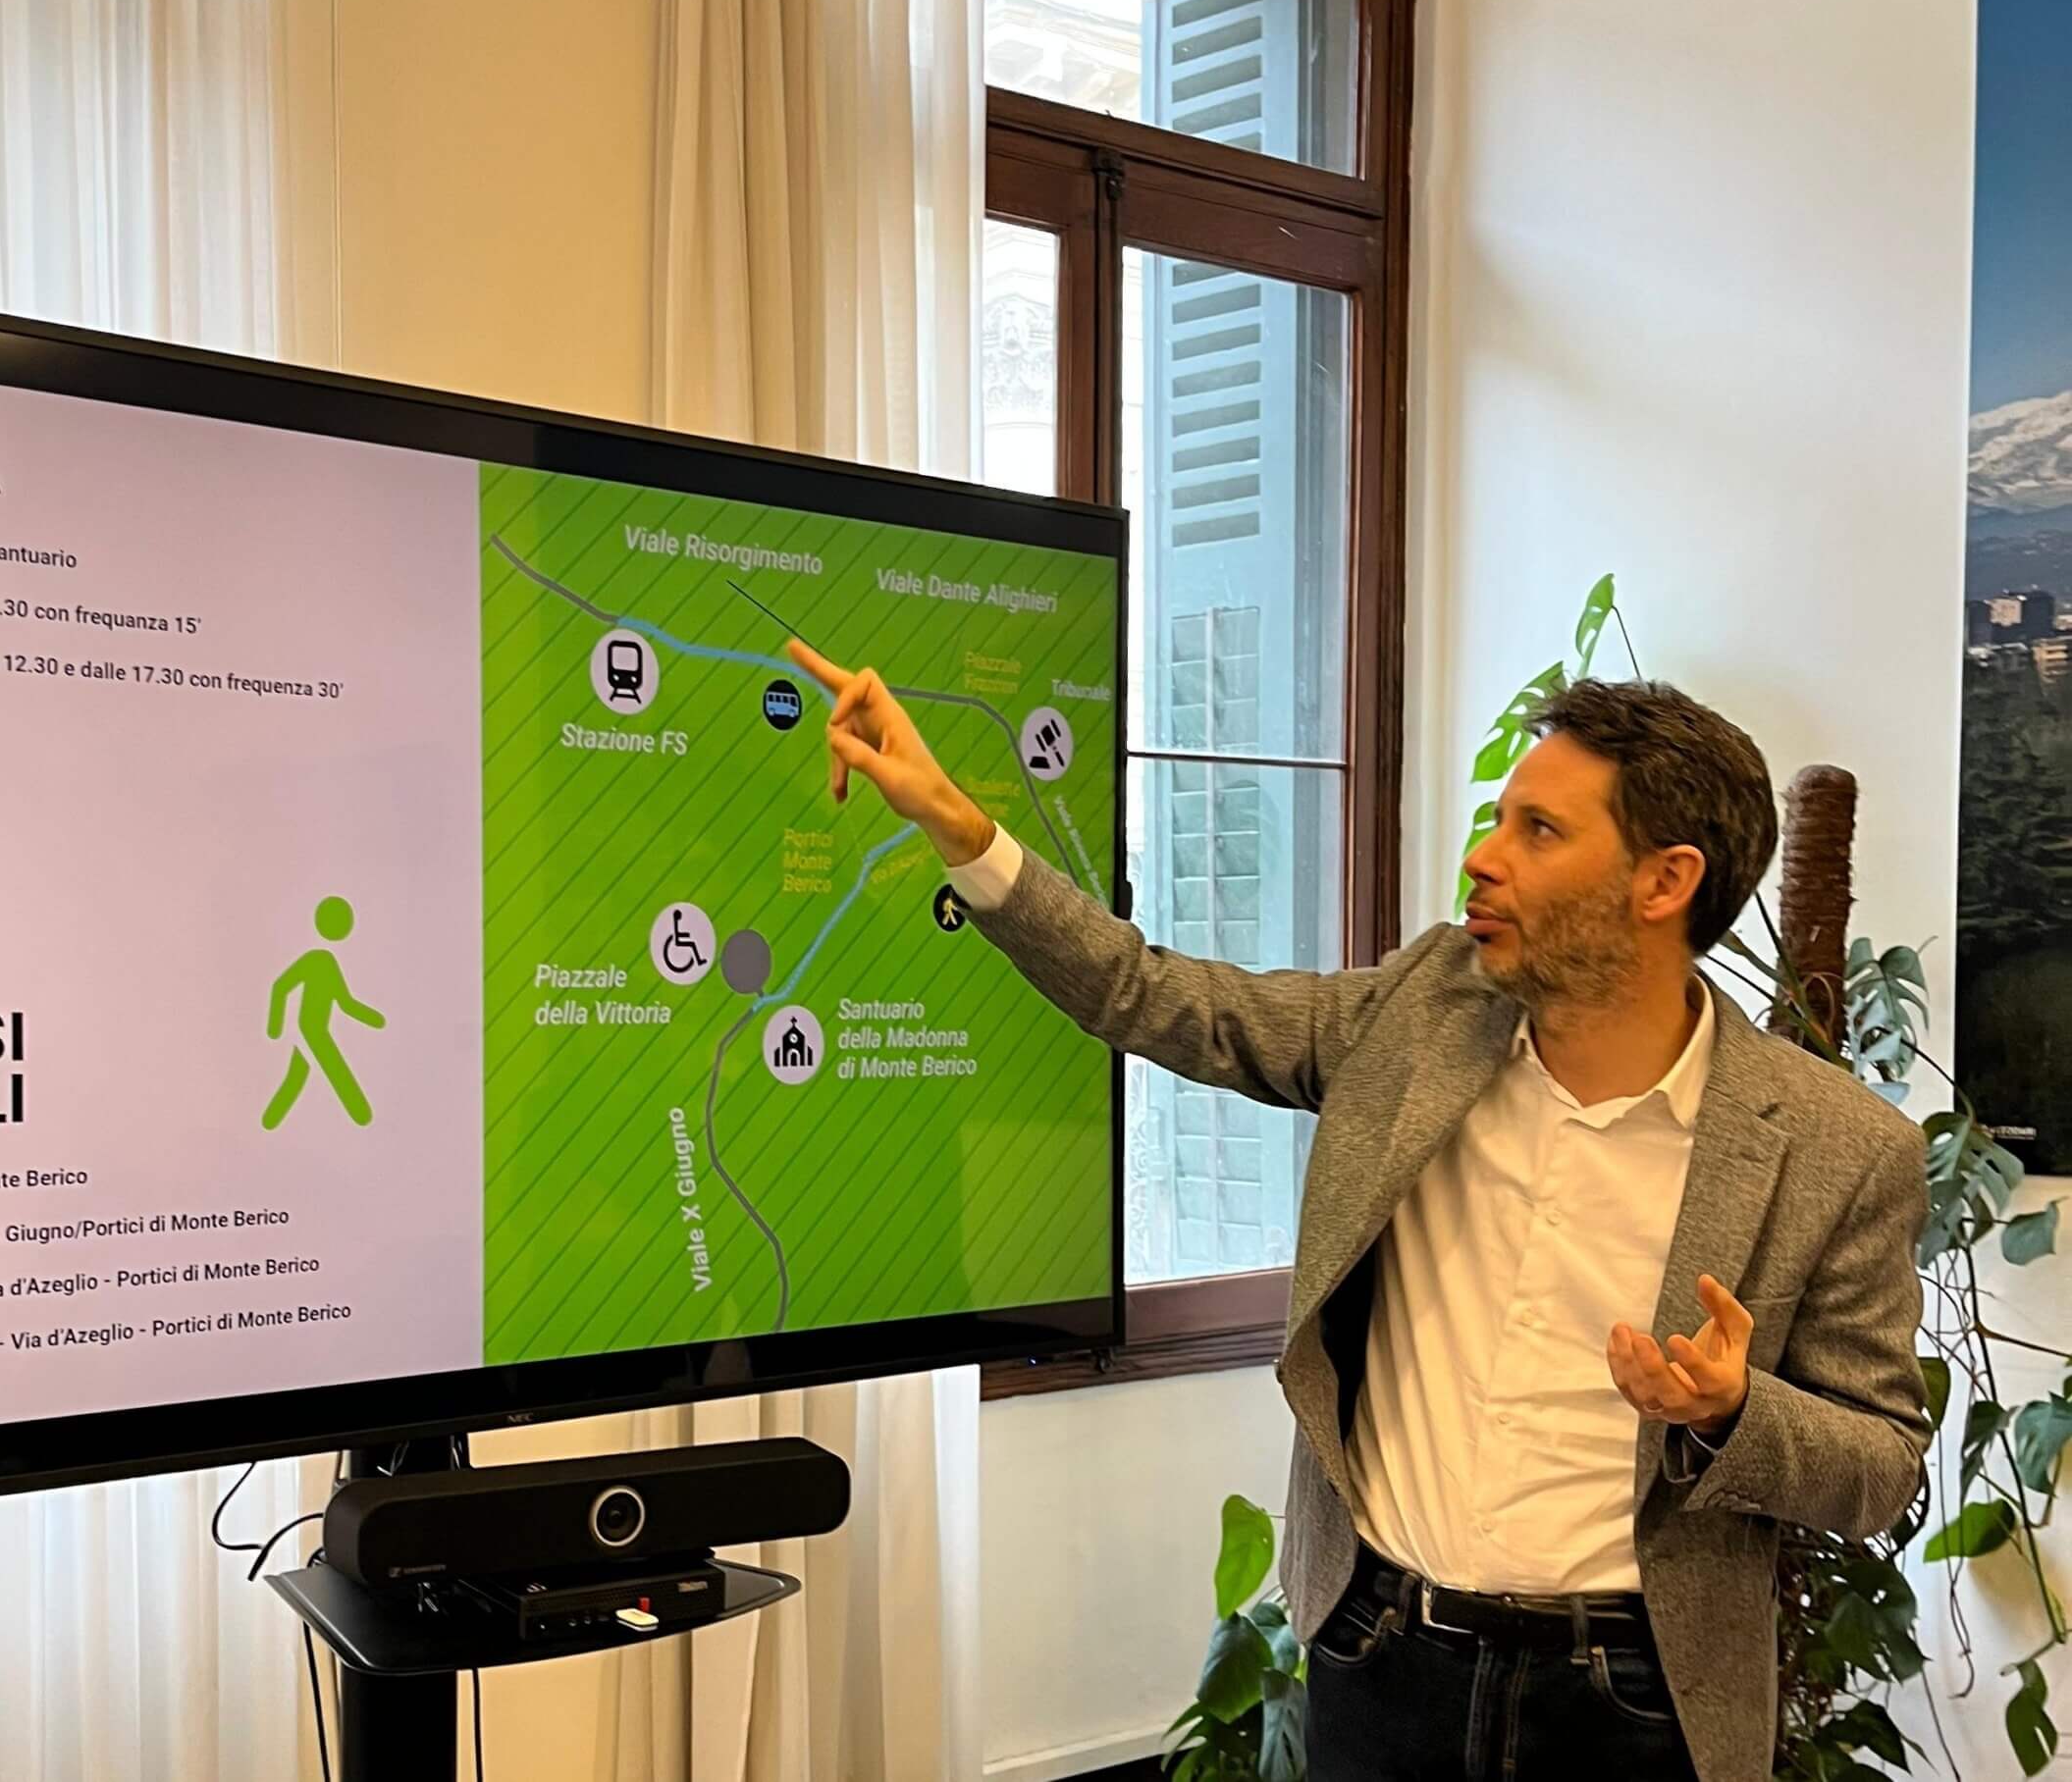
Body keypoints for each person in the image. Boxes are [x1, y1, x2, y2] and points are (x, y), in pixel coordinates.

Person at [788, 640, 1930, 1782]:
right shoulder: (1424, 1010)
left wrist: (1731, 1408)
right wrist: (957, 825)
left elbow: (1880, 1465)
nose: (1481, 857)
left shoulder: (1835, 1148)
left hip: (1635, 1702)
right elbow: (1159, 994)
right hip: (1379, 1656)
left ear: (1663, 881)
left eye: (1538, 830)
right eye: (1498, 818)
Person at [262, 894, 385, 1129]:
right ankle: (361, 1114)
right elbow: (280, 987)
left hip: (315, 1030)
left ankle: (269, 1121)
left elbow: (345, 1003)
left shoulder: (328, 962)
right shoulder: (316, 960)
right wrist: (275, 1028)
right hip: (310, 1031)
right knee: (337, 1073)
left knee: (297, 1077)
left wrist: (373, 1018)